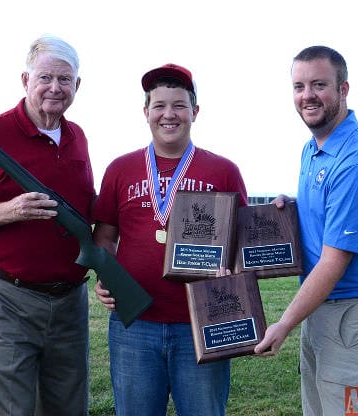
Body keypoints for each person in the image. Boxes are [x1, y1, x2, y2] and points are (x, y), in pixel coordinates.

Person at [0, 35, 94, 415]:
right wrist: (12, 210)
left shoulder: (78, 138)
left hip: (69, 302)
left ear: (78, 85)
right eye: (45, 78)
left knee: (68, 407)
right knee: (5, 409)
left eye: (65, 80)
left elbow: (86, 208)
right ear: (25, 80)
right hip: (5, 298)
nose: (55, 88)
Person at [254, 46, 358, 415]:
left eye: (319, 84)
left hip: (357, 316)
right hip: (325, 310)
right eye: (299, 86)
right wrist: (290, 212)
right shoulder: (315, 148)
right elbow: (325, 220)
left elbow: (333, 261)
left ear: (343, 89)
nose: (307, 95)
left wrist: (284, 324)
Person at [92, 63, 248, 416]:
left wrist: (232, 270)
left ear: (195, 111)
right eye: (159, 105)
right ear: (145, 112)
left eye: (179, 105)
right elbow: (105, 235)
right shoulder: (120, 168)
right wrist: (106, 276)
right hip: (135, 325)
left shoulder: (222, 170)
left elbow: (241, 242)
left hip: (201, 325)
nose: (169, 115)